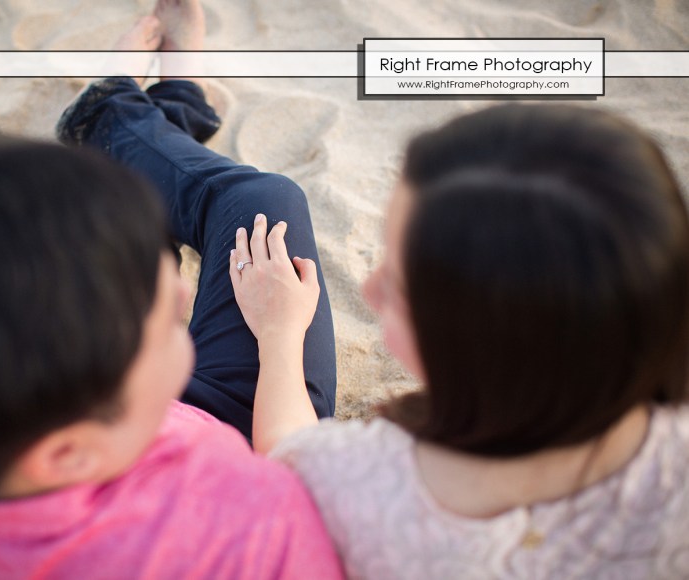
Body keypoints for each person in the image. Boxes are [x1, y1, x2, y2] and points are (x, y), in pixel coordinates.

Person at [0, 1, 342, 577]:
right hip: (237, 430)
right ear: (68, 455)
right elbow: (304, 478)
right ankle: (126, 117)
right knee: (263, 205)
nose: (183, 295)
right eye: (168, 323)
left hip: (109, 403)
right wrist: (280, 335)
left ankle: (143, 122)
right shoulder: (243, 535)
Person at [236, 104, 689, 578]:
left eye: (400, 285)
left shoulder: (365, 480)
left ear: (484, 346)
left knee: (265, 196)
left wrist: (280, 333)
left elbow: (285, 451)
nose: (370, 290)